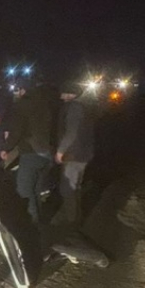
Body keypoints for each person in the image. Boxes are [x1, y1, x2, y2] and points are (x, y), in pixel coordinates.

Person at [0, 83, 55, 224]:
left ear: (23, 90)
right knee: (36, 190)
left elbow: (17, 130)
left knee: (24, 191)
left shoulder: (23, 105)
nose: (17, 93)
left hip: (31, 151)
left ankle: (31, 225)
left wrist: (6, 148)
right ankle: (38, 220)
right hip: (47, 153)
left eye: (18, 90)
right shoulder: (46, 103)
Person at [53, 84, 95, 226]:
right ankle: (76, 215)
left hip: (73, 154)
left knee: (67, 188)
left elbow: (71, 132)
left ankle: (70, 221)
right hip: (84, 153)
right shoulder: (86, 106)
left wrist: (60, 151)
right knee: (75, 186)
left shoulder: (74, 108)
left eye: (63, 92)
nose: (60, 95)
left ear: (71, 94)